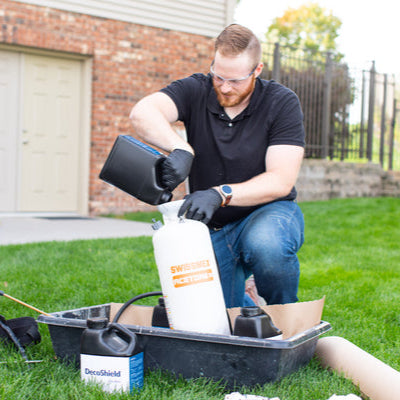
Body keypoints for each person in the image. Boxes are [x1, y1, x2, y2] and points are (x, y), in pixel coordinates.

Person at [129, 24, 305, 307]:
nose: (224, 87)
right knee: (212, 319)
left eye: (235, 81)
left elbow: (281, 180)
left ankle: (288, 319)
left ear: (257, 70)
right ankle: (250, 307)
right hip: (211, 228)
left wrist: (220, 194)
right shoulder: (195, 89)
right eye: (218, 76)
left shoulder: (281, 102)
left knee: (268, 247)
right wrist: (181, 148)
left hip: (266, 213)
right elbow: (142, 113)